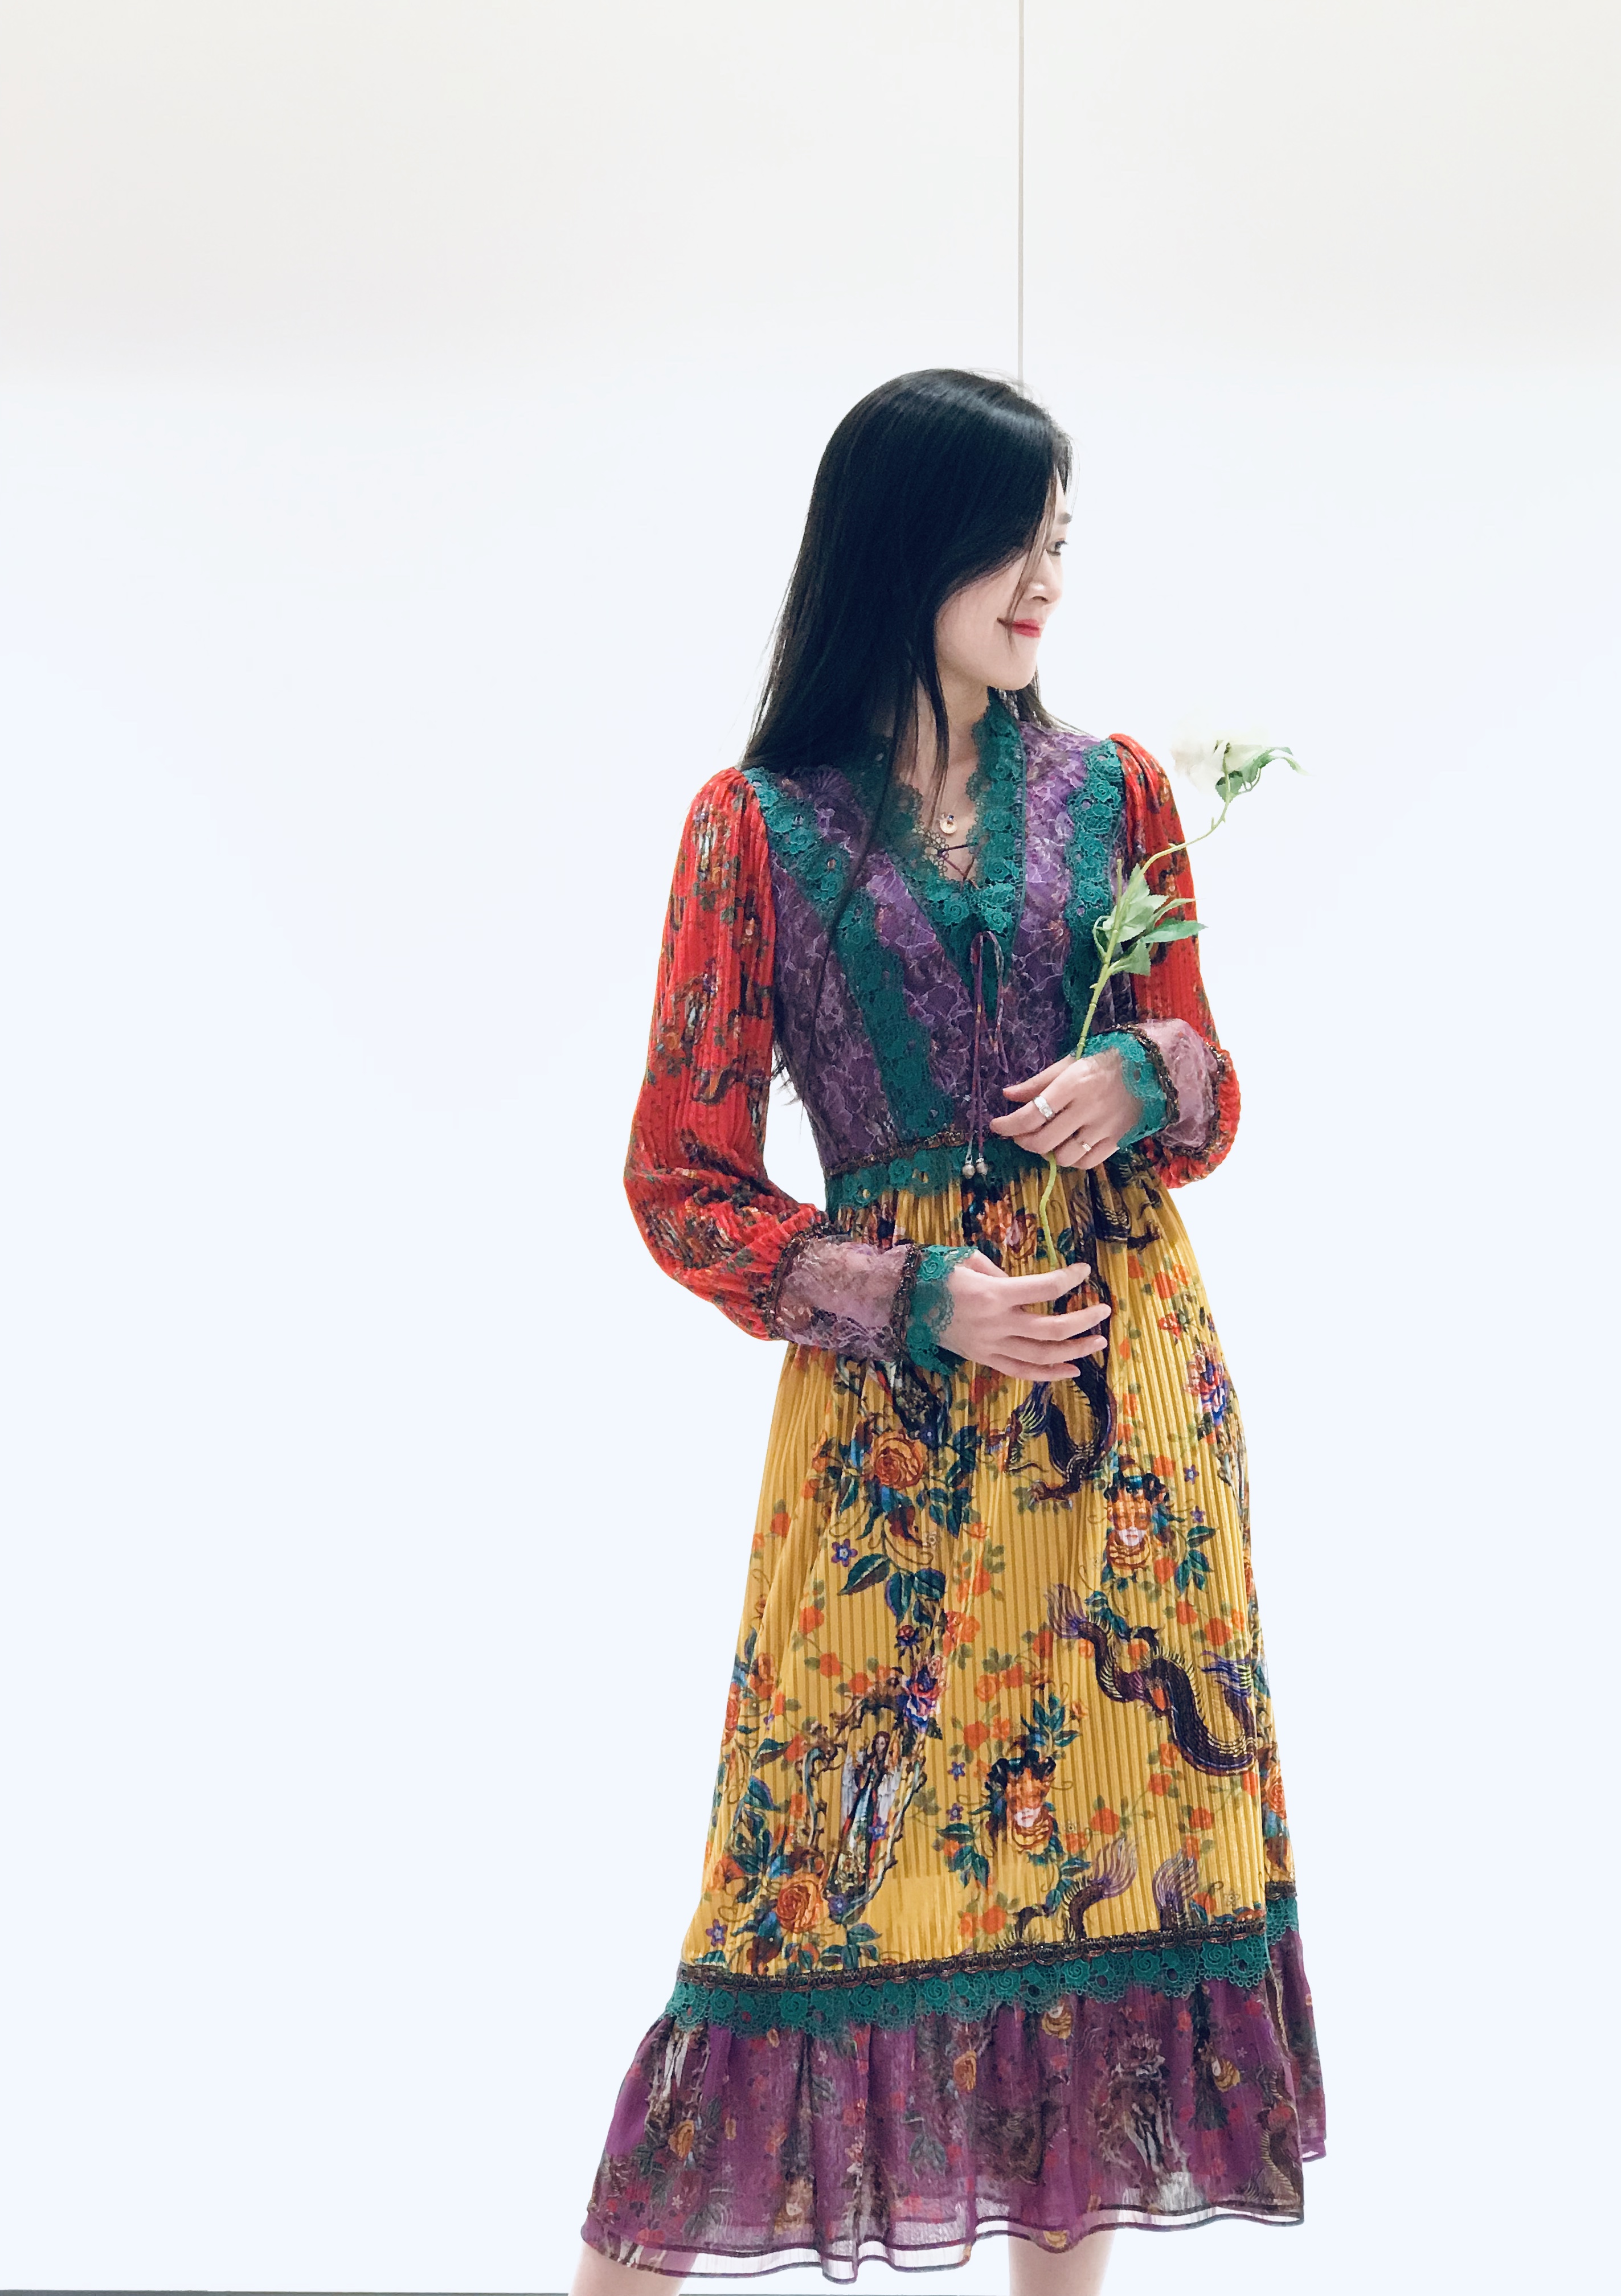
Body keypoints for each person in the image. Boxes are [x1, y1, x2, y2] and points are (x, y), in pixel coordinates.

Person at [575, 370, 1323, 2291]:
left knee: (1094, 1897)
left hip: (1122, 1423)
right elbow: (682, 1180)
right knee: (789, 1902)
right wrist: (919, 1298)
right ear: (905, 546)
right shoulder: (755, 831)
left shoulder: (1117, 792)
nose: (1048, 583)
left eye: (1062, 543)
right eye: (1017, 543)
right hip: (894, 1452)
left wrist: (1142, 1077)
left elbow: (1213, 1090)